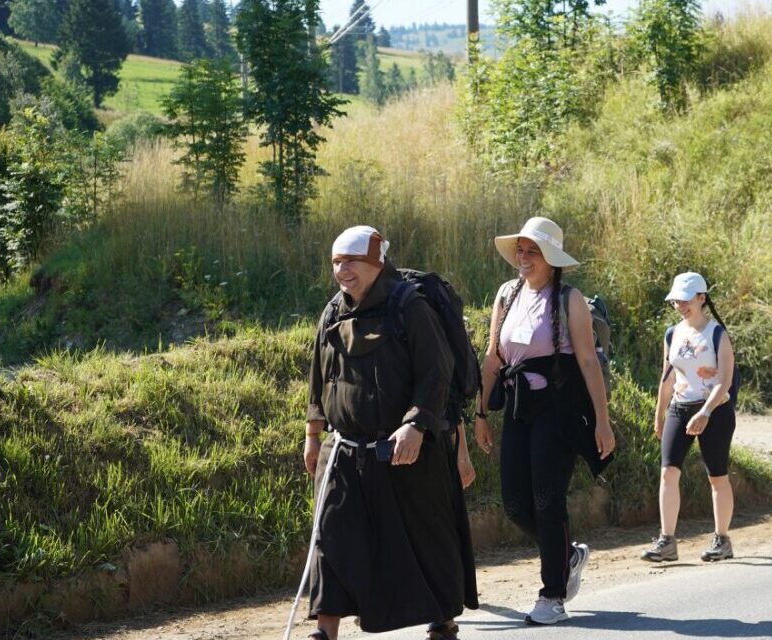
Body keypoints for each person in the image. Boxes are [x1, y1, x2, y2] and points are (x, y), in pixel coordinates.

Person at [303, 226, 478, 640]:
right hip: (343, 451)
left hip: (405, 450)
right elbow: (318, 378)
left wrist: (417, 425)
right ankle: (325, 631)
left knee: (425, 537)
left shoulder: (410, 308)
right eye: (335, 263)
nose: (342, 271)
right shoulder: (332, 312)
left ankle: (442, 621)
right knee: (331, 536)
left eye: (351, 262)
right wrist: (314, 434)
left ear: (377, 264)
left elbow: (436, 373)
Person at [473, 216, 616, 626]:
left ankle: (552, 595)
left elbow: (588, 363)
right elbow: (492, 359)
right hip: (518, 408)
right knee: (516, 504)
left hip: (557, 411)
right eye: (520, 249)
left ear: (551, 258)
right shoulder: (506, 294)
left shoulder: (570, 300)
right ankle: (567, 555)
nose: (522, 257)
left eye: (531, 250)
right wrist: (481, 413)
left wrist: (602, 422)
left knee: (546, 500)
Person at [643, 272, 738, 563]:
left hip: (715, 410)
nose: (680, 306)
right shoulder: (672, 333)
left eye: (686, 300)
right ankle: (667, 541)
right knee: (668, 472)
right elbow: (667, 376)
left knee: (717, 476)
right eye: (676, 301)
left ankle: (722, 539)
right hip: (680, 407)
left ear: (702, 298)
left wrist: (706, 412)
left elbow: (725, 381)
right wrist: (659, 414)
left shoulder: (718, 334)